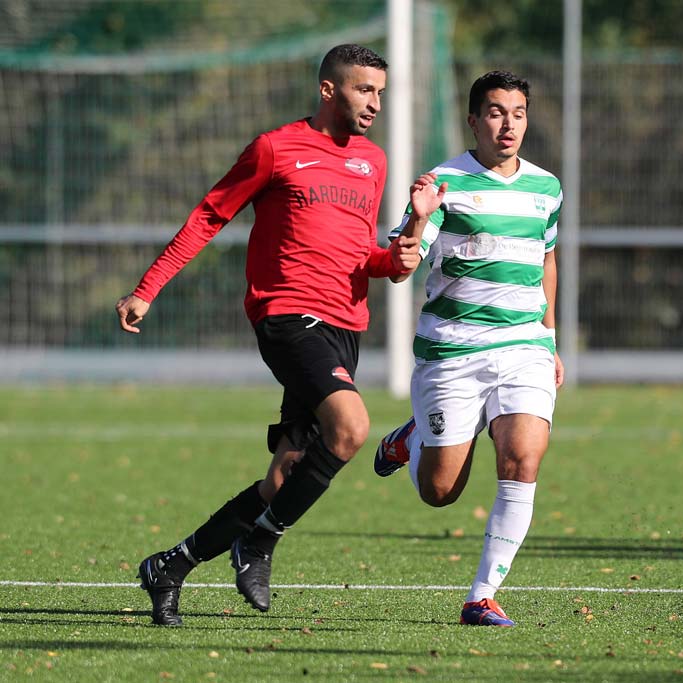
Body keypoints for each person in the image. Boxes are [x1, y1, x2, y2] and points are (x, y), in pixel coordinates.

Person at [116, 44, 421, 626]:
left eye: (381, 92)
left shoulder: (372, 162)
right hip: (286, 315)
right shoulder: (276, 148)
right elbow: (210, 214)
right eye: (364, 90)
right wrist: (148, 287)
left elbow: (365, 258)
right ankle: (259, 543)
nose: (375, 103)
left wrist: (397, 259)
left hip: (345, 325)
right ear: (330, 90)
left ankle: (171, 566)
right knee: (352, 427)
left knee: (285, 473)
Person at [373, 70, 564, 626]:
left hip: (523, 344)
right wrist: (419, 215)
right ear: (474, 120)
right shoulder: (443, 183)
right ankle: (411, 436)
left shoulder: (546, 187)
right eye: (498, 112)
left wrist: (549, 338)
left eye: (519, 113)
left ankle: (481, 594)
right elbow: (403, 264)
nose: (509, 124)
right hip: (451, 351)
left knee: (522, 457)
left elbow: (546, 261)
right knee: (440, 492)